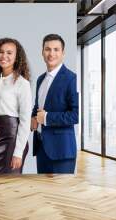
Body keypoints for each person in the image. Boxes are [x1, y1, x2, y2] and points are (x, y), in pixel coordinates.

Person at [0, 38, 32, 174]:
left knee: (8, 185)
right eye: (1, 52)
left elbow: (25, 120)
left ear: (16, 57)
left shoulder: (22, 84)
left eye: (9, 53)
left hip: (11, 140)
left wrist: (18, 152)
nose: (4, 56)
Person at [31, 34, 78, 174]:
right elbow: (38, 107)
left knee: (61, 193)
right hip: (41, 148)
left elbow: (76, 115)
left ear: (63, 53)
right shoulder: (40, 79)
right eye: (48, 49)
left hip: (62, 151)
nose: (51, 53)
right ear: (42, 52)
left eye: (56, 49)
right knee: (44, 193)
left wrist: (46, 118)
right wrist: (34, 117)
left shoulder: (72, 79)